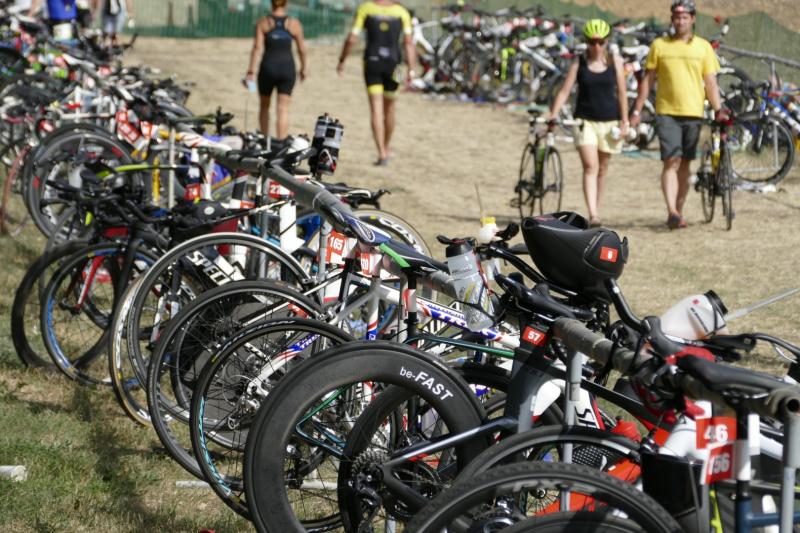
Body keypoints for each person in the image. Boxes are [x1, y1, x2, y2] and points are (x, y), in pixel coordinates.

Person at [630, 0, 723, 230]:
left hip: (693, 112)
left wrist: (718, 109)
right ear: (672, 20)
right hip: (666, 112)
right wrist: (637, 110)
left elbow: (710, 82)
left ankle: (678, 211)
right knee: (671, 160)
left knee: (685, 164)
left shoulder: (703, 47)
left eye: (685, 17)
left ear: (692, 19)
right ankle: (671, 210)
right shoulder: (660, 46)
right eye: (677, 17)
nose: (680, 21)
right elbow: (648, 81)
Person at [547, 19, 628, 227]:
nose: (597, 47)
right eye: (592, 42)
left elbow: (622, 93)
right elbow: (564, 91)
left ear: (607, 42)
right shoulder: (579, 62)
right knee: (590, 166)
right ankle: (593, 214)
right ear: (586, 42)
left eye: (601, 42)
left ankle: (596, 211)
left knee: (602, 168)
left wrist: (625, 121)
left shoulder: (615, 62)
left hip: (609, 121)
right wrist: (553, 113)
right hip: (585, 121)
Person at [337, 0, 418, 166]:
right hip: (395, 65)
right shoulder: (402, 12)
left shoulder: (365, 9)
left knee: (376, 109)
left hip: (372, 62)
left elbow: (351, 38)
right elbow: (408, 43)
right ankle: (386, 147)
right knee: (390, 108)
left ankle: (381, 152)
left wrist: (342, 60)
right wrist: (411, 69)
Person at [244, 0, 307, 141]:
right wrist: (303, 68)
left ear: (271, 3)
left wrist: (251, 71)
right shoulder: (294, 23)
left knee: (264, 106)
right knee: (282, 108)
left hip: (268, 68)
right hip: (287, 69)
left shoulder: (263, 22)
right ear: (286, 3)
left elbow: (257, 47)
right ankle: (281, 143)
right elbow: (302, 49)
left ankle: (264, 140)